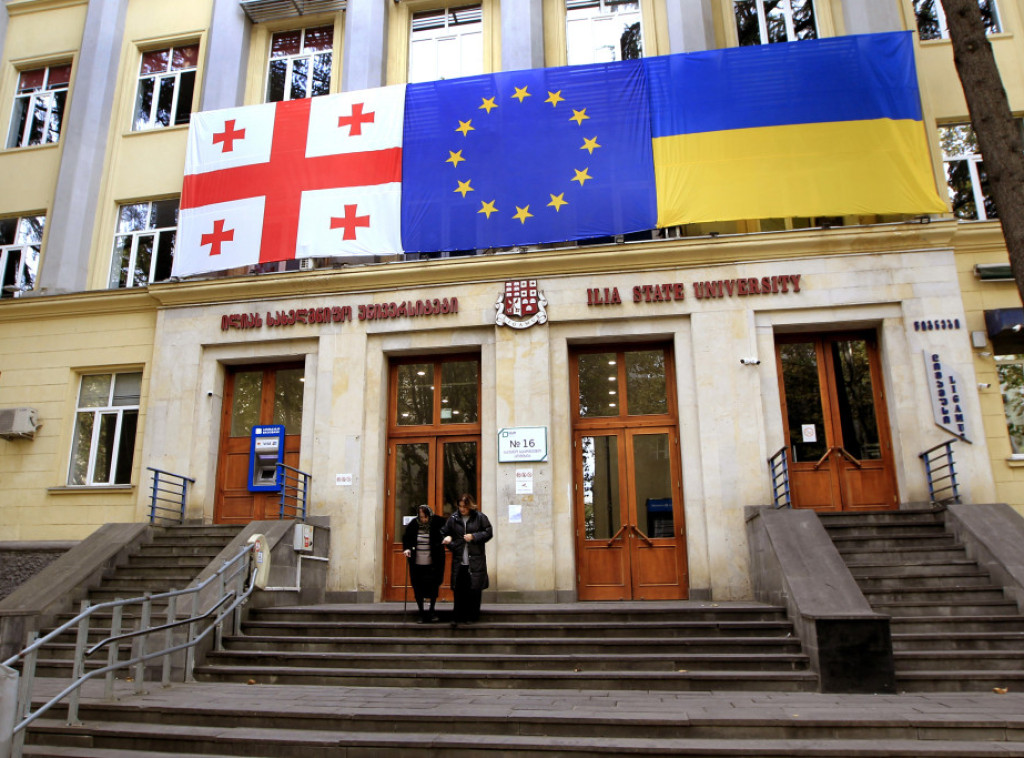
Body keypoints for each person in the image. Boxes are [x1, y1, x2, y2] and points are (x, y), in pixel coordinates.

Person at [441, 493, 492, 626]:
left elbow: (488, 532)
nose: (462, 509)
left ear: (470, 506)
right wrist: (450, 542)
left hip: (475, 561)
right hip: (460, 560)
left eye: (464, 506)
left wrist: (474, 536)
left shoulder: (480, 517)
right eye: (460, 506)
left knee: (474, 589)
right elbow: (444, 532)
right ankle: (457, 616)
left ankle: (472, 616)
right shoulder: (454, 518)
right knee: (459, 589)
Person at [402, 504, 446, 623]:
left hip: (433, 562)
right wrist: (406, 549)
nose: (423, 520)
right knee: (418, 587)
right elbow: (406, 538)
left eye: (425, 517)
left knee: (433, 587)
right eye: (421, 517)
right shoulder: (413, 524)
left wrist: (447, 538)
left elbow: (448, 528)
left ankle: (431, 611)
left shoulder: (437, 522)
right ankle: (421, 613)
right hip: (417, 562)